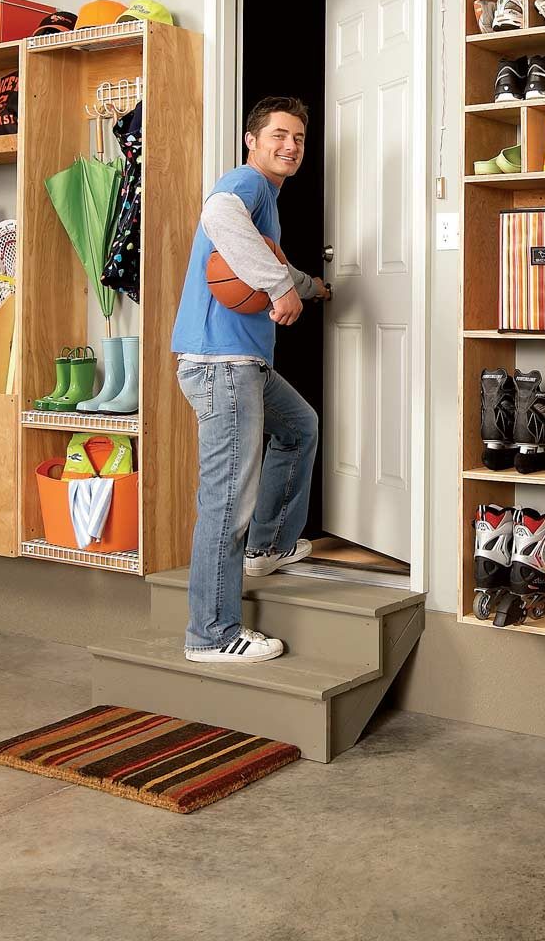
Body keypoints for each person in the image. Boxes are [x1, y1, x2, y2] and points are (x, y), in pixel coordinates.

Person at [171, 95, 330, 664]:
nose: (290, 146)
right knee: (225, 498)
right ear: (252, 140)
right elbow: (218, 217)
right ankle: (210, 632)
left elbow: (267, 263)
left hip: (239, 367)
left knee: (299, 426)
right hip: (222, 367)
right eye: (279, 135)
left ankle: (266, 546)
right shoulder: (247, 182)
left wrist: (309, 286)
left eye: (299, 139)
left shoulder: (267, 200)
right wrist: (283, 289)